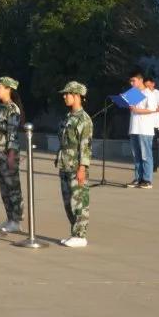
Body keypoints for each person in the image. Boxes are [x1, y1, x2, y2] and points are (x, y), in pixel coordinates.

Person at [56, 81, 92, 248]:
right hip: (65, 164)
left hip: (77, 165)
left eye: (68, 94)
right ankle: (74, 232)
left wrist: (82, 168)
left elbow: (85, 146)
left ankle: (80, 234)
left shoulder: (84, 120)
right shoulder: (68, 117)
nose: (64, 96)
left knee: (79, 200)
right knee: (67, 201)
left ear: (77, 96)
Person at [0, 76, 24, 233]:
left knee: (13, 188)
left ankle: (17, 220)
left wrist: (11, 155)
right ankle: (9, 218)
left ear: (8, 89)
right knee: (4, 188)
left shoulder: (12, 109)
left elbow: (13, 135)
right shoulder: (1, 107)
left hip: (8, 154)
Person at [127, 70, 157, 188]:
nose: (131, 83)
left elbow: (152, 109)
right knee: (137, 155)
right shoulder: (134, 93)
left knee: (146, 155)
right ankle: (138, 178)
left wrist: (136, 110)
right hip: (134, 128)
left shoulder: (149, 93)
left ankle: (147, 180)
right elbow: (131, 108)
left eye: (133, 80)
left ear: (140, 80)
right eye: (130, 81)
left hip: (145, 130)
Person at [144, 77, 159, 173]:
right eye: (146, 86)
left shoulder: (158, 94)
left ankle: (154, 165)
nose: (147, 87)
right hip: (143, 123)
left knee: (153, 145)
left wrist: (151, 110)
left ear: (153, 84)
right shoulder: (143, 93)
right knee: (145, 146)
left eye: (149, 85)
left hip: (154, 123)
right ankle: (146, 165)